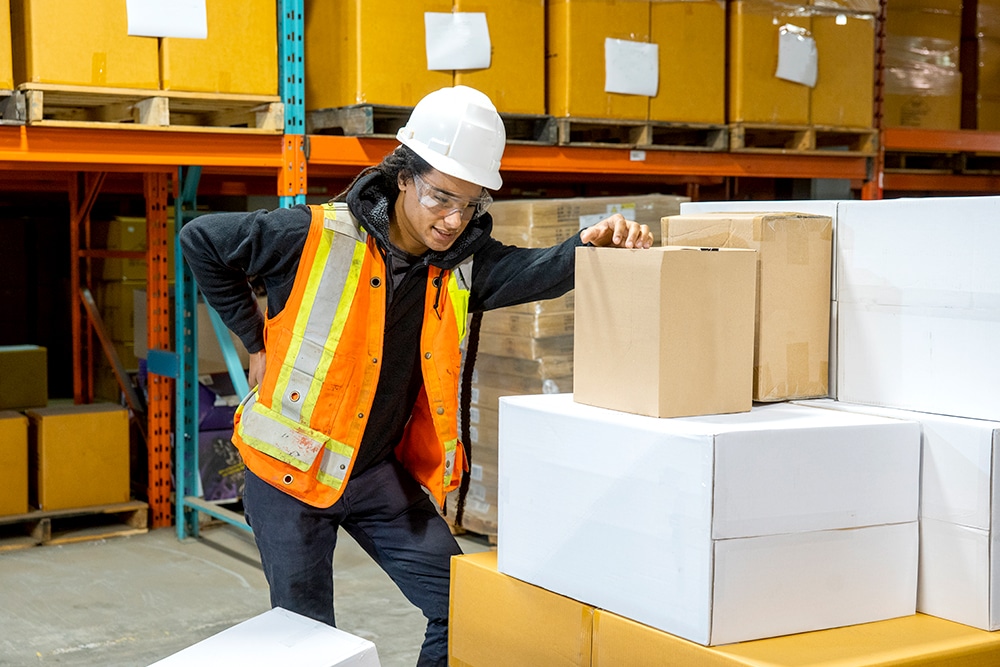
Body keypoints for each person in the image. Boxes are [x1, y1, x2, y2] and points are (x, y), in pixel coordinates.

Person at [179, 85, 653, 666]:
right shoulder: (310, 235)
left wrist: (590, 244)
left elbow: (538, 271)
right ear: (403, 177)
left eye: (471, 205)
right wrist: (254, 337)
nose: (454, 219)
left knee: (465, 607)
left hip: (373, 471)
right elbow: (200, 239)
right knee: (309, 643)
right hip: (287, 473)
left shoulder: (461, 265)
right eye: (440, 197)